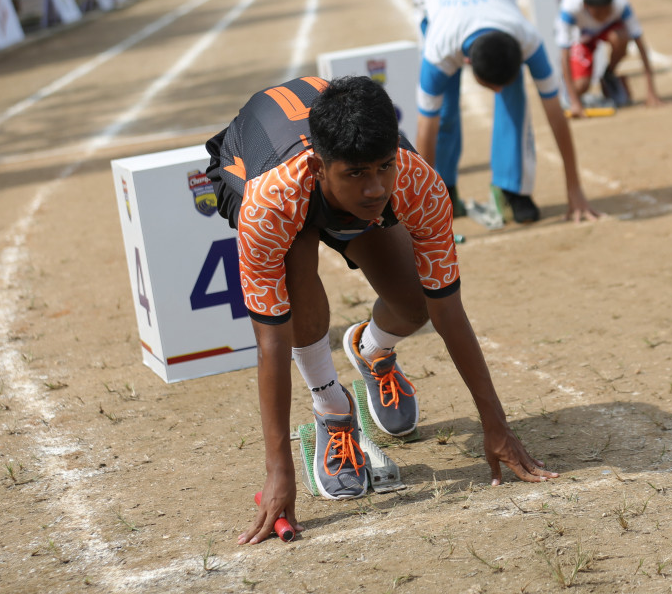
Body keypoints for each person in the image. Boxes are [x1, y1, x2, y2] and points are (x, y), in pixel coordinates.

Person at [205, 76, 556, 546]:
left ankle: (371, 350)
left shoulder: (416, 181)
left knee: (414, 304)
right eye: (357, 174)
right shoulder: (271, 201)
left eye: (384, 168)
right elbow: (271, 341)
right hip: (258, 159)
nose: (375, 189)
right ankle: (332, 409)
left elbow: (448, 310)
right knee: (298, 257)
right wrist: (277, 471)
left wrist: (496, 424)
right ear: (320, 166)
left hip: (327, 182)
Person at [413, 0, 598, 224]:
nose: (496, 91)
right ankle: (444, 190)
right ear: (466, 64)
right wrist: (425, 213)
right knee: (445, 109)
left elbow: (556, 114)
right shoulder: (438, 52)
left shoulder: (528, 40)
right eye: (491, 86)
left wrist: (575, 188)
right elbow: (425, 130)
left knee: (515, 96)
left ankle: (512, 189)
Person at [556, 0, 665, 116]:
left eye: (607, 11)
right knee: (580, 86)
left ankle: (608, 75)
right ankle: (569, 89)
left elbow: (640, 45)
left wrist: (651, 92)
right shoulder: (569, 7)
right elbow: (564, 54)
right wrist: (575, 101)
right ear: (585, 6)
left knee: (621, 37)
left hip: (609, 31)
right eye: (598, 13)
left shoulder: (621, 4)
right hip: (582, 37)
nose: (603, 16)